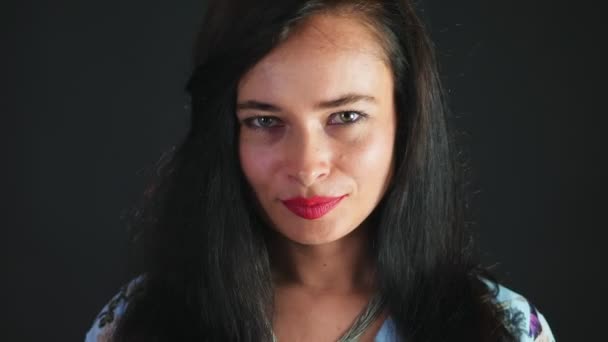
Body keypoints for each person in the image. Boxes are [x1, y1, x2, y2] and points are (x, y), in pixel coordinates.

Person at [85, 0, 555, 341]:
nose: (308, 166)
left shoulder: (502, 330)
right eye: (265, 121)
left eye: (346, 117)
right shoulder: (133, 327)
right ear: (224, 133)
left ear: (407, 121)